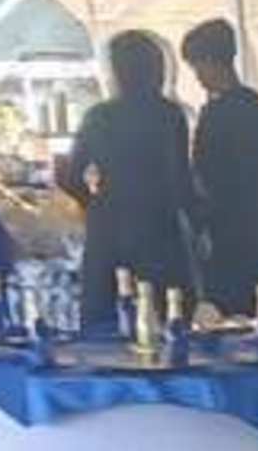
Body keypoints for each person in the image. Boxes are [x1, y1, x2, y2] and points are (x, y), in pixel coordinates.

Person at [62, 27, 197, 333]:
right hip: (158, 226)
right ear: (156, 69)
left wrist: (94, 202)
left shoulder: (98, 116)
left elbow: (70, 175)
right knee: (167, 317)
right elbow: (180, 179)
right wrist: (199, 223)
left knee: (105, 320)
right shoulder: (168, 115)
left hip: (109, 225)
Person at [179, 17, 258, 312]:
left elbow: (204, 177)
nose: (197, 77)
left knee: (231, 322)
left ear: (208, 63)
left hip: (229, 240)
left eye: (197, 68)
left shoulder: (215, 117)